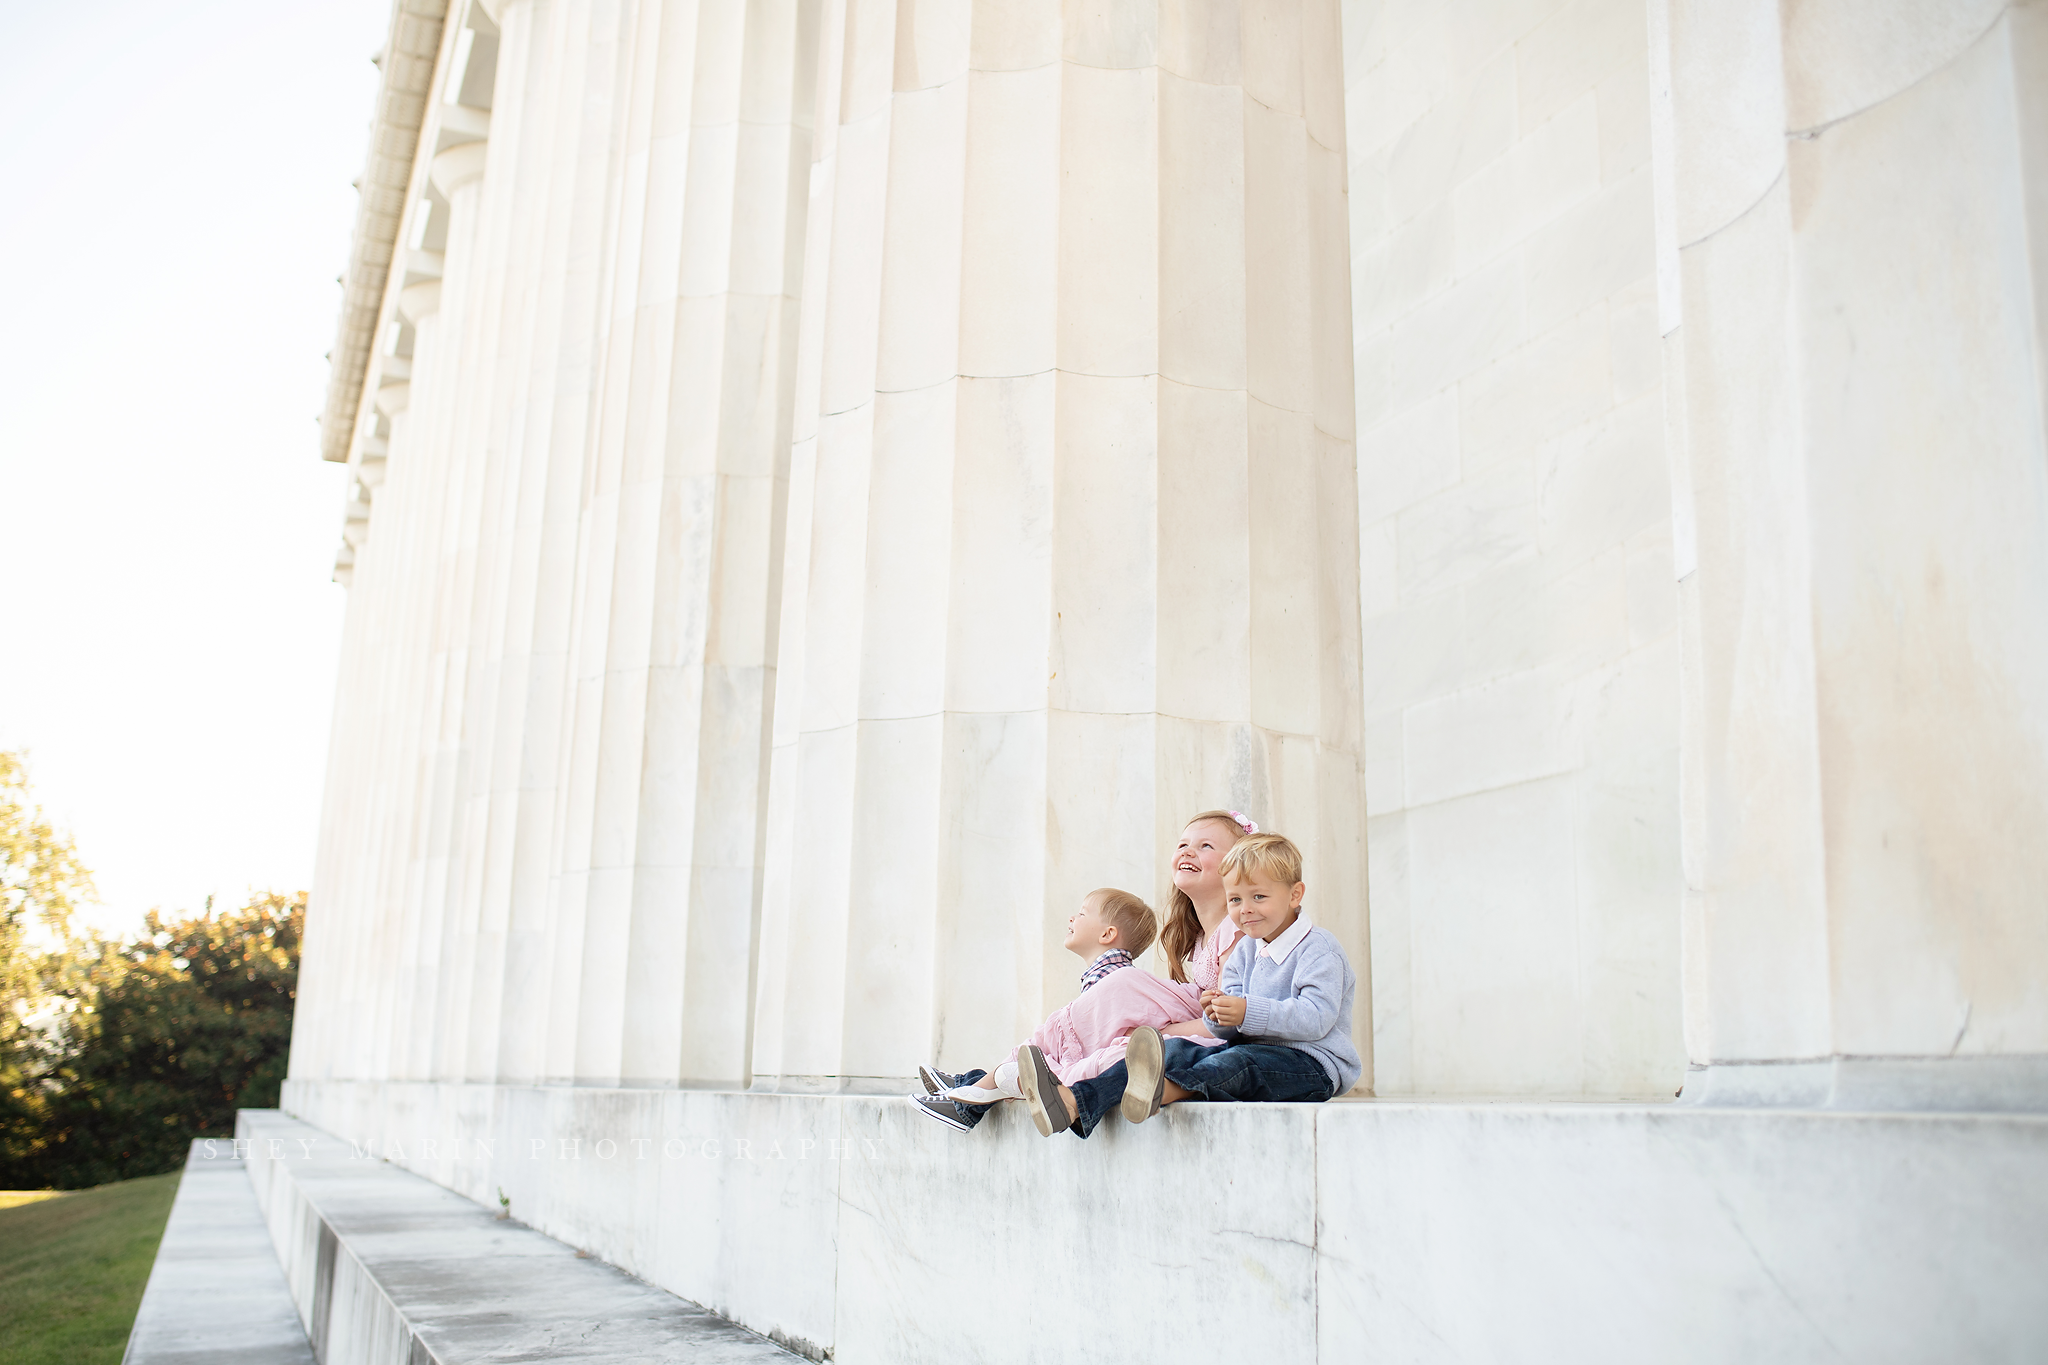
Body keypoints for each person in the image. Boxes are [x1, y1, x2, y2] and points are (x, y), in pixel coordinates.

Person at [1014, 831, 1360, 1138]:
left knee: (1235, 1067)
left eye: (1259, 897)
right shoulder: (1247, 951)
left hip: (1310, 1064)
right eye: (1235, 900)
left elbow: (1317, 1019)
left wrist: (1245, 1011)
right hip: (1250, 1049)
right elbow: (1233, 1028)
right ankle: (1072, 1101)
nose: (1245, 910)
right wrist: (1218, 1016)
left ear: (1295, 894)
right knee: (1177, 1051)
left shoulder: (1318, 949)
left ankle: (1161, 1092)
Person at [909, 887, 1160, 1133]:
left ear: (1107, 934)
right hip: (1095, 1059)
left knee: (1028, 1060)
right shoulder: (1103, 974)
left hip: (1099, 1065)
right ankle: (965, 1089)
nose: (1072, 918)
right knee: (1026, 1060)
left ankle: (964, 1101)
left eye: (1082, 914)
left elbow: (1097, 1030)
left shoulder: (1116, 977)